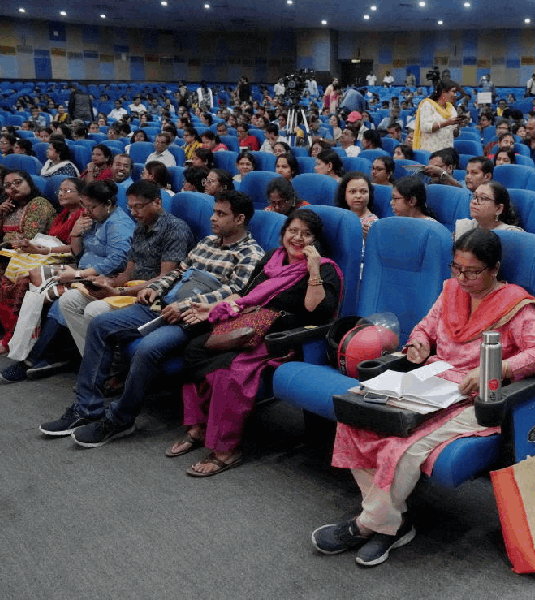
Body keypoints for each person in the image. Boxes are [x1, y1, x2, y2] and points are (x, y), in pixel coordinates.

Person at [313, 228, 535, 566]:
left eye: (472, 271)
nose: (462, 277)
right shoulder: (451, 291)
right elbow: (425, 327)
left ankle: (368, 525)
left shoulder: (514, 305)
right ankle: (392, 523)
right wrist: (419, 343)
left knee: (405, 447)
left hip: (473, 395)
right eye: (456, 268)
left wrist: (498, 368)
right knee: (357, 417)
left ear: (494, 269)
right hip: (432, 379)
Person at [39, 190, 265, 446]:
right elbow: (179, 272)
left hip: (194, 316)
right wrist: (154, 288)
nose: (213, 218)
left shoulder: (250, 253)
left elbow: (234, 293)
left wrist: (186, 304)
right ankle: (86, 408)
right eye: (213, 211)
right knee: (101, 324)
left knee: (147, 348)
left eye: (221, 214)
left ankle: (121, 419)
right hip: (163, 303)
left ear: (240, 219)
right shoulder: (207, 242)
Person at [171, 208, 343, 476]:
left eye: (306, 234)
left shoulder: (325, 269)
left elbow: (316, 311)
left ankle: (226, 450)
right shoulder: (270, 259)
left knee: (231, 371)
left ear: (315, 241)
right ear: (283, 233)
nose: (298, 238)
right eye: (293, 231)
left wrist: (313, 269)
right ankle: (199, 426)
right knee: (195, 349)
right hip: (247, 327)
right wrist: (215, 307)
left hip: (282, 337)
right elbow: (245, 294)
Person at [1, 179, 135, 382]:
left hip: (104, 277)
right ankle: (25, 344)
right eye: (85, 206)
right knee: (31, 277)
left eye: (91, 207)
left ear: (107, 204)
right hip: (81, 269)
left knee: (52, 298)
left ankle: (32, 358)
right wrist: (75, 233)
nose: (87, 211)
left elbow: (117, 261)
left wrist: (77, 275)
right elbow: (78, 252)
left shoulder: (119, 224)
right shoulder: (95, 219)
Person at [58, 180, 194, 355]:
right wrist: (107, 282)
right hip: (130, 289)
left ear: (157, 203)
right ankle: (95, 360)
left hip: (156, 299)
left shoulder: (175, 229)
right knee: (69, 299)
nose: (133, 212)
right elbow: (128, 273)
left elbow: (165, 278)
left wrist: (119, 292)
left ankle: (109, 364)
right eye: (130, 207)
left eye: (138, 207)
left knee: (95, 311)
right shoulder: (140, 227)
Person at [454, 180, 522, 238]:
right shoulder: (465, 227)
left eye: (483, 198)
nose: (474, 202)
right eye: (474, 196)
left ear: (498, 208)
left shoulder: (510, 234)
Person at [412, 79, 460, 153]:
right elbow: (425, 127)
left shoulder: (451, 108)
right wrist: (446, 123)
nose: (455, 95)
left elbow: (454, 134)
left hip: (447, 152)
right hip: (431, 152)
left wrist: (458, 124)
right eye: (453, 91)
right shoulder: (428, 105)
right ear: (443, 92)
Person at [336, 171, 377, 239]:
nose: (358, 196)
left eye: (363, 191)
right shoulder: (339, 219)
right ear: (344, 195)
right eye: (352, 191)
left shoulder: (374, 225)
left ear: (369, 195)